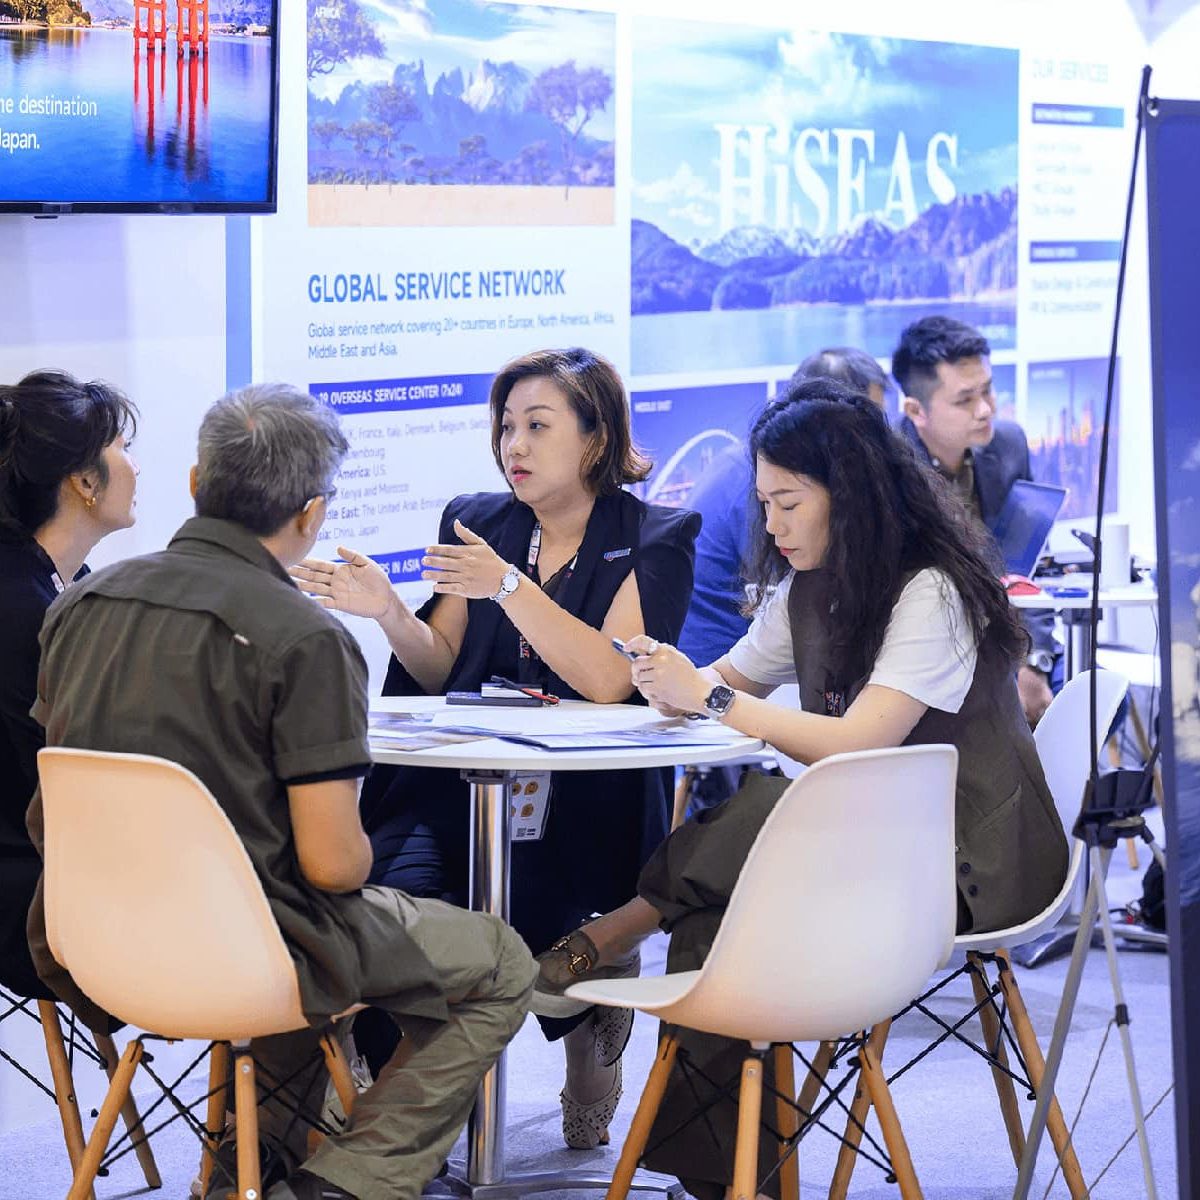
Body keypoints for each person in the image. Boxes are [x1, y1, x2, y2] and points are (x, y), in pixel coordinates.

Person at [532, 382, 1068, 1200]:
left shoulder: (932, 592)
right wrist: (663, 680)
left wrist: (709, 698)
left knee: (770, 812)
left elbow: (857, 745)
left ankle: (609, 933)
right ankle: (735, 1181)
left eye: (788, 503)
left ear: (848, 500)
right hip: (873, 846)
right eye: (764, 504)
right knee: (720, 920)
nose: (772, 525)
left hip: (969, 862)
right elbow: (725, 682)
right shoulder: (807, 590)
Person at [23, 384, 535, 1200]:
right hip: (253, 949)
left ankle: (246, 1174)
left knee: (299, 927)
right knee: (499, 961)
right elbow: (334, 866)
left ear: (196, 484)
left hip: (90, 943)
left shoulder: (80, 604)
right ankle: (349, 1179)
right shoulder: (306, 638)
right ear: (312, 514)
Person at [292, 347, 700, 1150]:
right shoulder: (477, 521)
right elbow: (439, 663)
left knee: (546, 925)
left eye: (537, 426)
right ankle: (406, 1105)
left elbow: (610, 678)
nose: (514, 444)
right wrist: (386, 613)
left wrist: (511, 587)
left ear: (594, 439)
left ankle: (593, 1016)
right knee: (395, 908)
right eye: (507, 426)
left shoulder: (656, 534)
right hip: (461, 789)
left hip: (587, 797)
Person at [0, 370, 139, 1004]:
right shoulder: (37, 612)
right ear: (84, 483)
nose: (134, 466)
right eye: (121, 448)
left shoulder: (55, 588)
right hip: (37, 907)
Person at [891, 315, 1063, 725]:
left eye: (987, 390)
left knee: (1098, 700)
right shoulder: (888, 467)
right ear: (916, 410)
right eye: (964, 399)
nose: (985, 409)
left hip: (1013, 639)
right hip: (937, 656)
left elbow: (1026, 569)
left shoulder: (1009, 444)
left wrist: (1034, 661)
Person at [678, 346, 889, 670]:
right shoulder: (773, 484)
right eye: (870, 425)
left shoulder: (766, 468)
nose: (879, 446)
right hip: (727, 666)